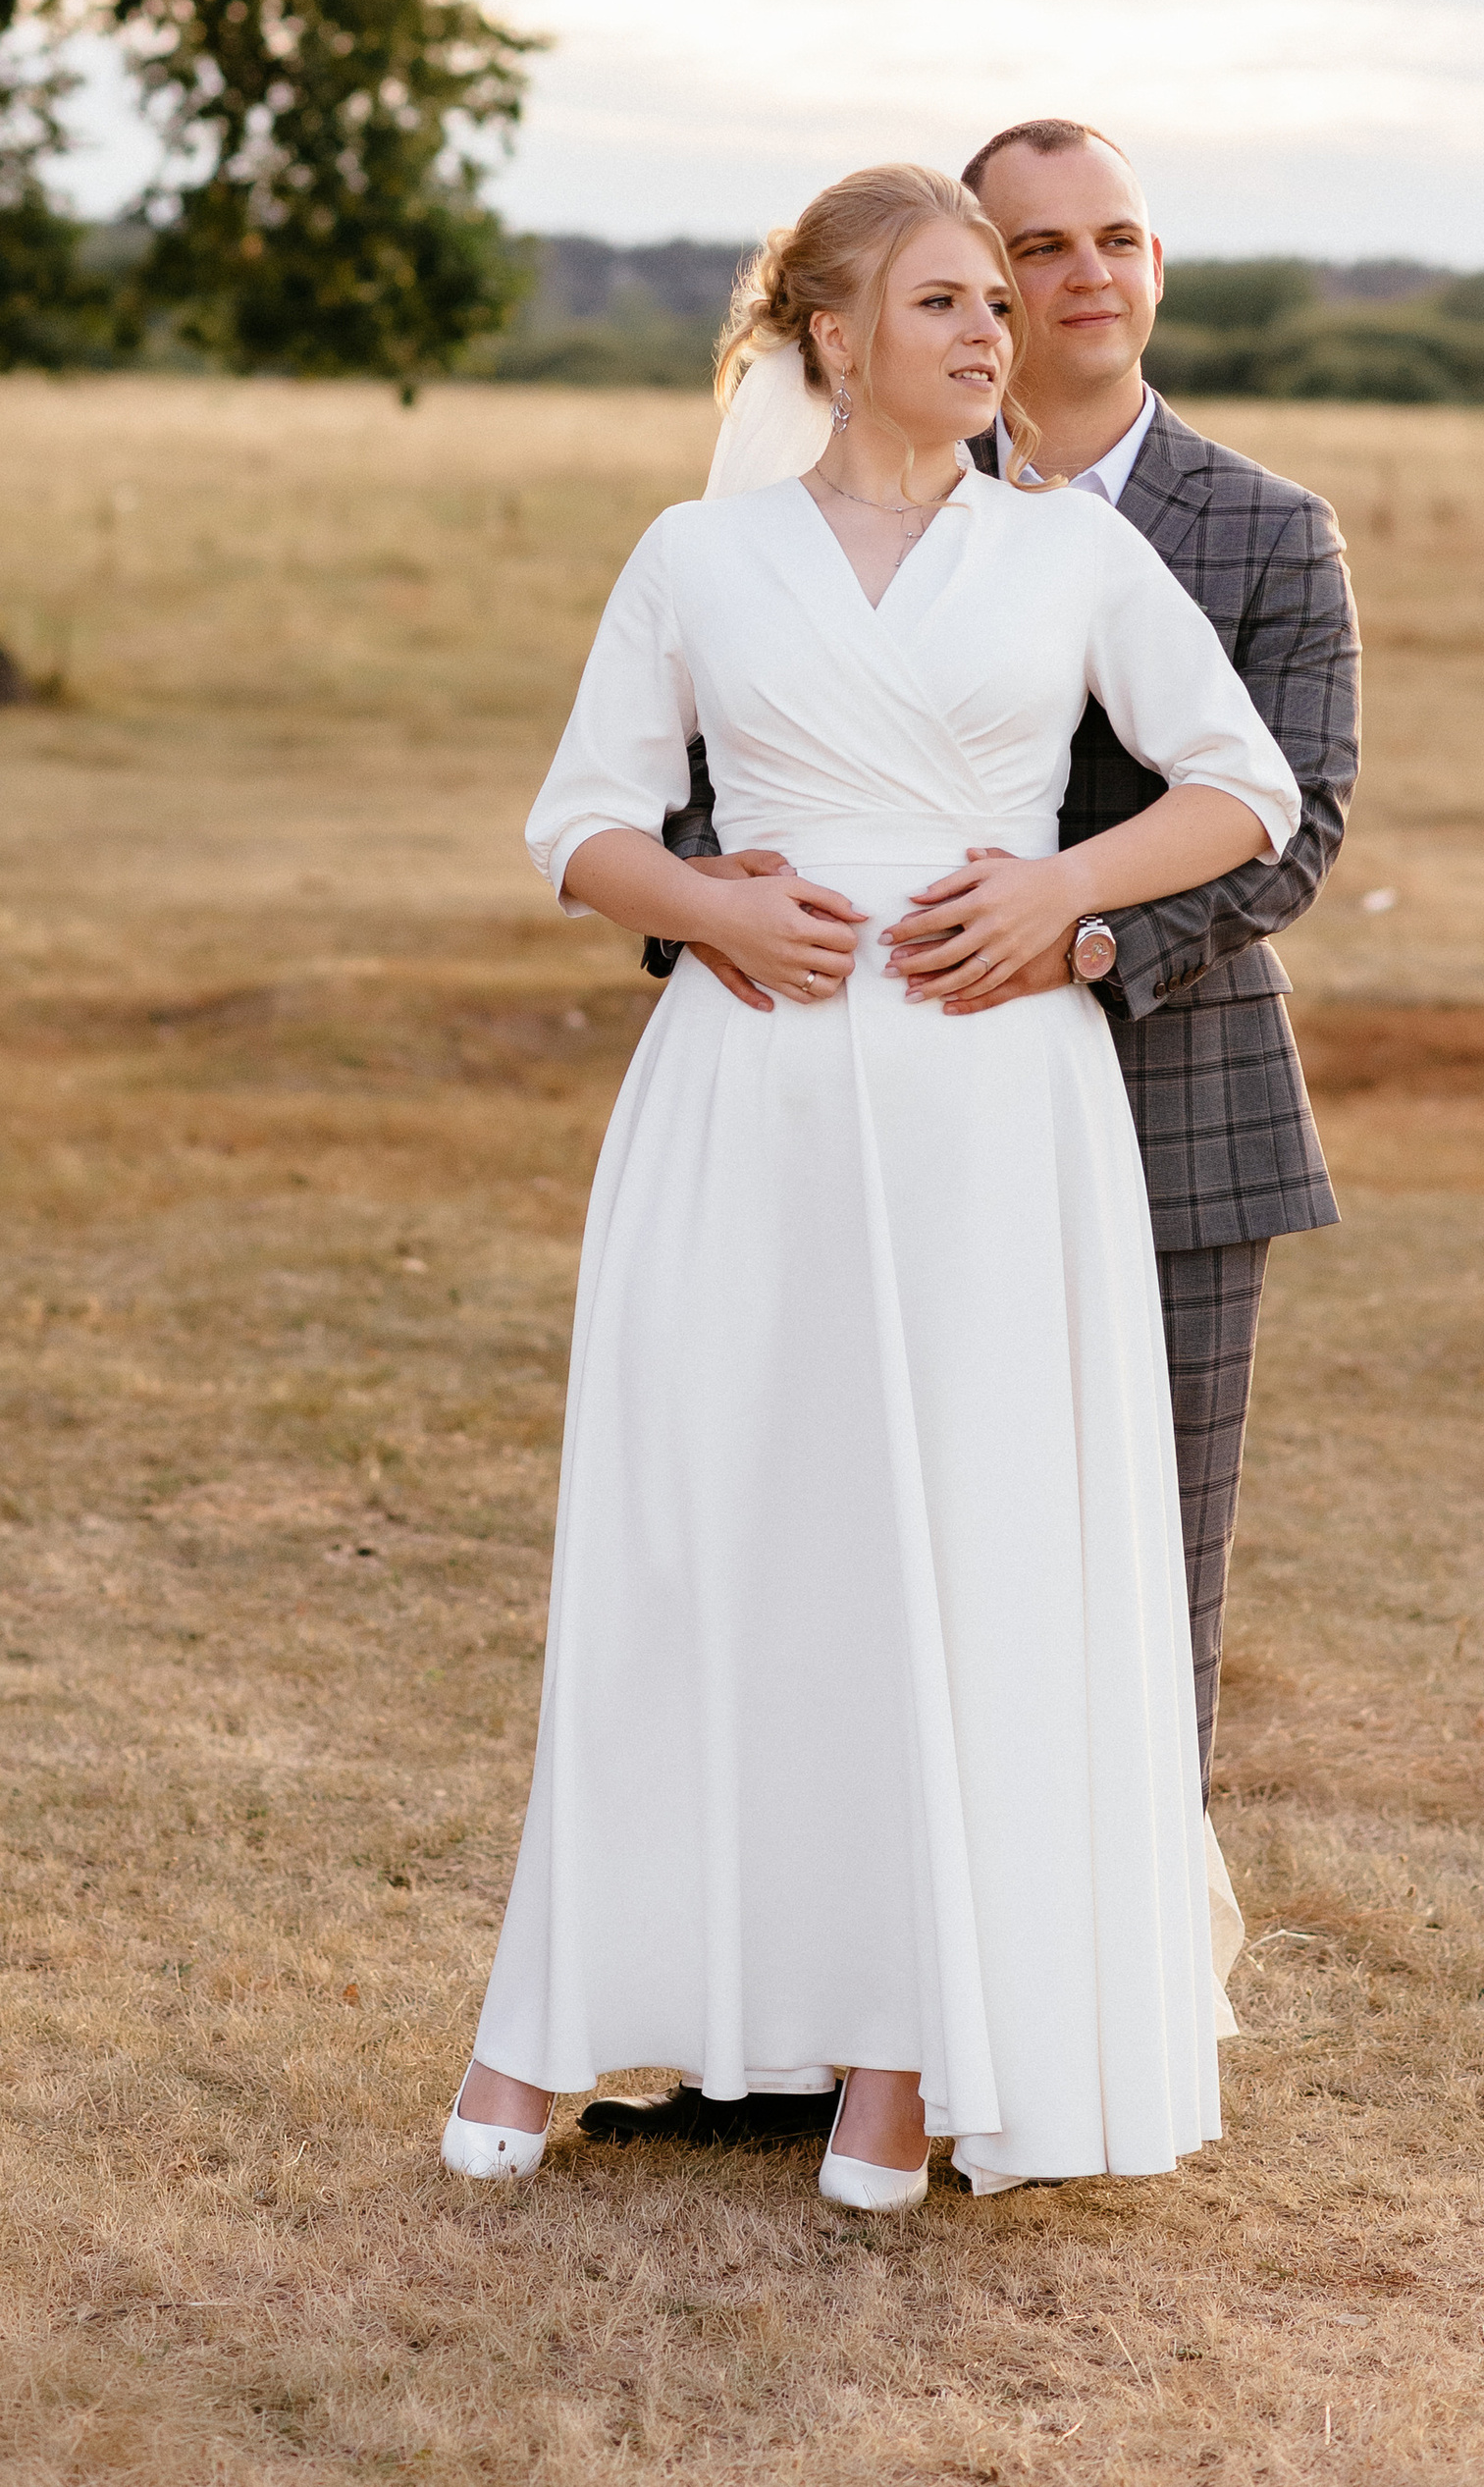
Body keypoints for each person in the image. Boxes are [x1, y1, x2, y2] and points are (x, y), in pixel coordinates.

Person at [442, 164, 1300, 2203]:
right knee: (710, 1542)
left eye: (997, 301)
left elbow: (1240, 784)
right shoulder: (695, 554)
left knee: (961, 1562)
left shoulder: (1063, 562)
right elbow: (576, 821)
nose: (990, 330)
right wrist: (699, 902)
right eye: (943, 300)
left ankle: (901, 2060)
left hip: (997, 1121)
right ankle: (546, 2021)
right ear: (829, 334)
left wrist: (1057, 889)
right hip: (743, 1105)